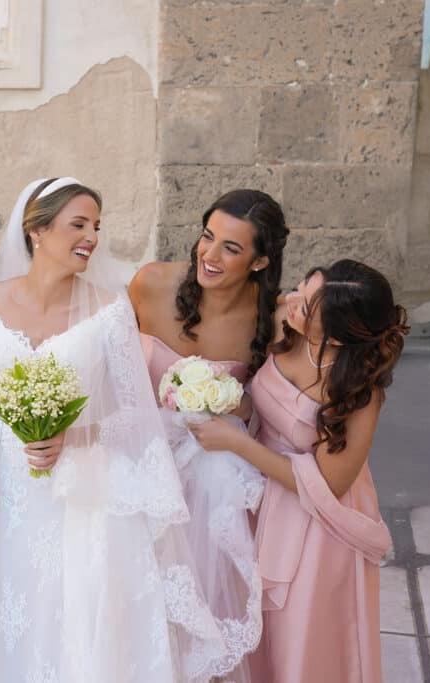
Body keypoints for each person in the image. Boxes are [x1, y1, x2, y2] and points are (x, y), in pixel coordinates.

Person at [0, 178, 237, 683]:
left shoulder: (110, 311)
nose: (91, 237)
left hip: (88, 487)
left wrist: (76, 436)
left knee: (79, 615)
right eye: (78, 225)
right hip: (0, 478)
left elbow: (137, 414)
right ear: (37, 231)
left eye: (96, 226)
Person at [189, 259, 405, 683]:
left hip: (319, 527)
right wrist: (231, 399)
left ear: (341, 336)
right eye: (301, 289)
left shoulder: (360, 392)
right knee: (259, 636)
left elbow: (330, 485)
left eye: (307, 308)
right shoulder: (285, 329)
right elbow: (266, 404)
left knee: (302, 639)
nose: (291, 302)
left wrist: (237, 443)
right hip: (262, 497)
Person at [127, 189, 290, 680]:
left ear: (260, 261)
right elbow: (103, 361)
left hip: (211, 471)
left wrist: (229, 401)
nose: (209, 255)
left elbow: (271, 402)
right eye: (207, 237)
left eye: (231, 248)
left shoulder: (273, 316)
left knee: (199, 598)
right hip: (140, 454)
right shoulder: (150, 282)